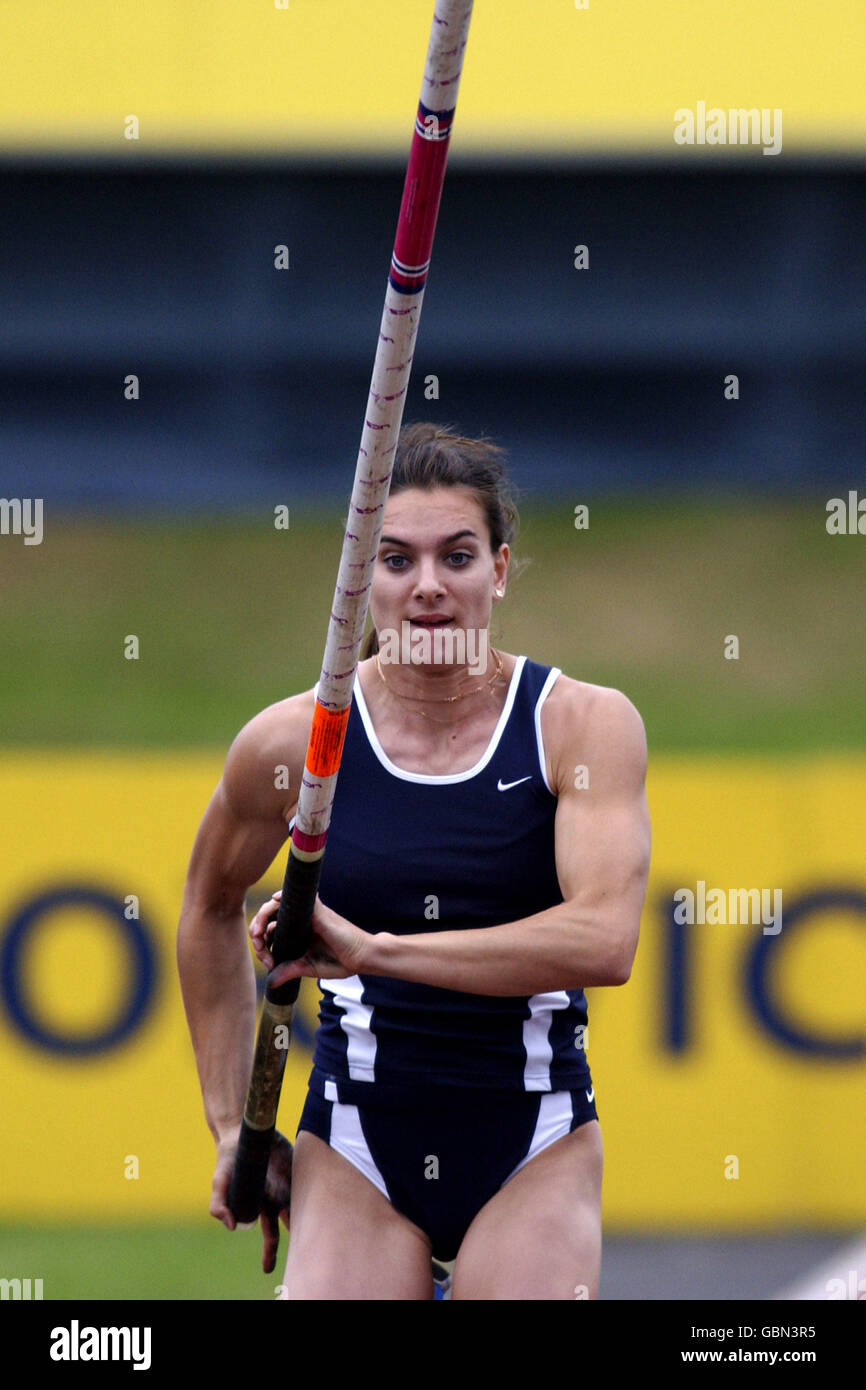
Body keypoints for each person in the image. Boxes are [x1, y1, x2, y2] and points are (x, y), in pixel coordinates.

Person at [177, 422, 651, 1300]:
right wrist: (230, 1128)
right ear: (364, 579)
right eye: (397, 560)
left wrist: (373, 952)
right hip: (356, 1142)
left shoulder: (580, 725)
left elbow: (604, 939)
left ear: (499, 571)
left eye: (458, 557)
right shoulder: (292, 744)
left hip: (532, 1143)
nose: (428, 587)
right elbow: (209, 905)